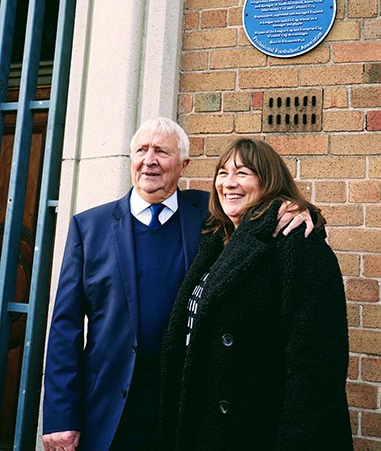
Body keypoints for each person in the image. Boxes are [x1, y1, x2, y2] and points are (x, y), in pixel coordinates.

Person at [42, 118, 313, 451]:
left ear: (183, 164)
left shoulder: (210, 214)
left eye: (162, 151)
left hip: (186, 406)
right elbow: (64, 328)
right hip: (110, 406)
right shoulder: (90, 227)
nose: (149, 160)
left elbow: (263, 206)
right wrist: (60, 416)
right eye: (141, 150)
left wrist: (298, 209)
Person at [157, 138, 353, 451]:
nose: (228, 183)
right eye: (222, 173)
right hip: (203, 426)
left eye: (243, 173)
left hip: (260, 431)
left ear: (269, 181)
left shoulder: (297, 243)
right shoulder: (216, 241)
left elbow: (315, 367)